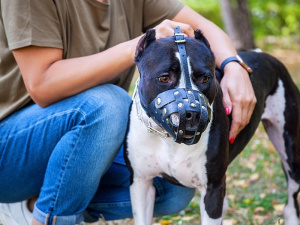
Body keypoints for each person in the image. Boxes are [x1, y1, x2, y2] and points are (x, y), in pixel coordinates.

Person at [0, 0, 256, 225]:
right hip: (10, 144)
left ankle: (31, 206)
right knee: (109, 104)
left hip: (83, 140)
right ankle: (51, 219)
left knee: (173, 186)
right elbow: (42, 84)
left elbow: (205, 29)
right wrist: (138, 46)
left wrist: (233, 65)